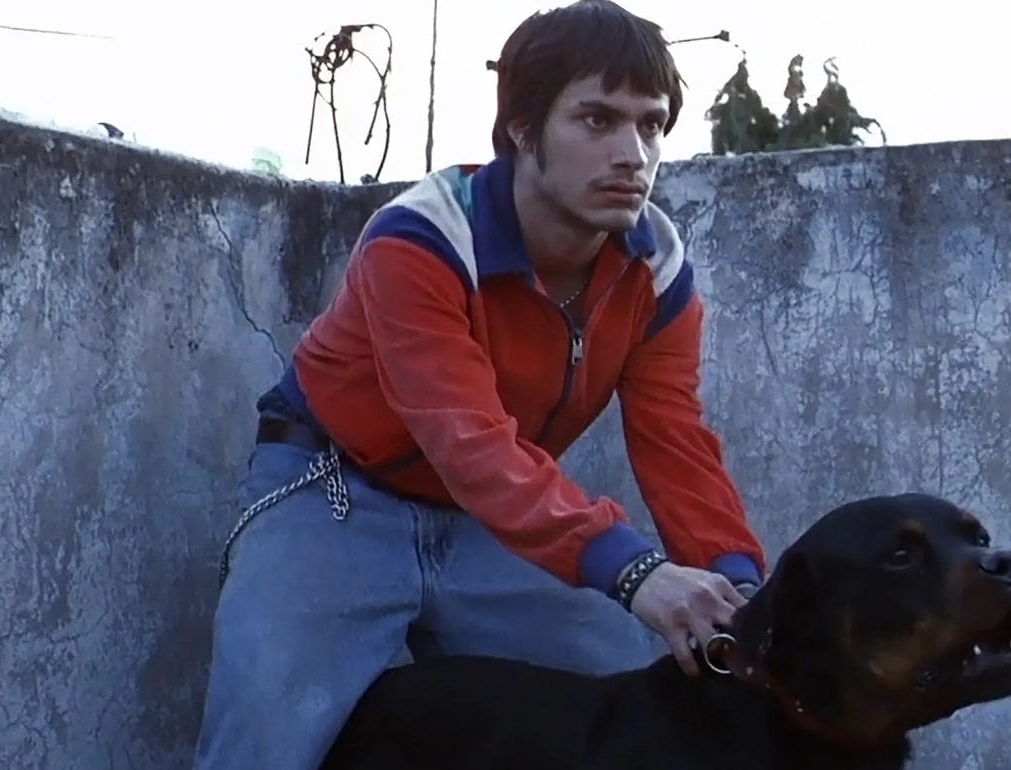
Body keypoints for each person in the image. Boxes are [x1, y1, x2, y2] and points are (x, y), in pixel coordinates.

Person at [193, 1, 767, 768]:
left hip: (490, 522)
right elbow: (468, 442)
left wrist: (741, 589)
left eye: (651, 124)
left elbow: (677, 444)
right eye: (597, 120)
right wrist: (637, 573)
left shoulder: (655, 271)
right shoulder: (422, 239)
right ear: (523, 129)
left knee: (630, 708)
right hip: (334, 490)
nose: (633, 153)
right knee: (264, 746)